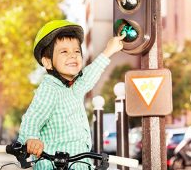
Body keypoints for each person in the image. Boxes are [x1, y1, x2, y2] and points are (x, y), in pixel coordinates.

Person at [17, 19, 125, 169]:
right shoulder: (50, 89)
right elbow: (32, 119)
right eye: (64, 52)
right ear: (48, 62)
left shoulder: (72, 88)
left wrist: (108, 51)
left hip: (79, 165)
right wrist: (31, 139)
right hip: (55, 166)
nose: (73, 56)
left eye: (76, 51)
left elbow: (88, 76)